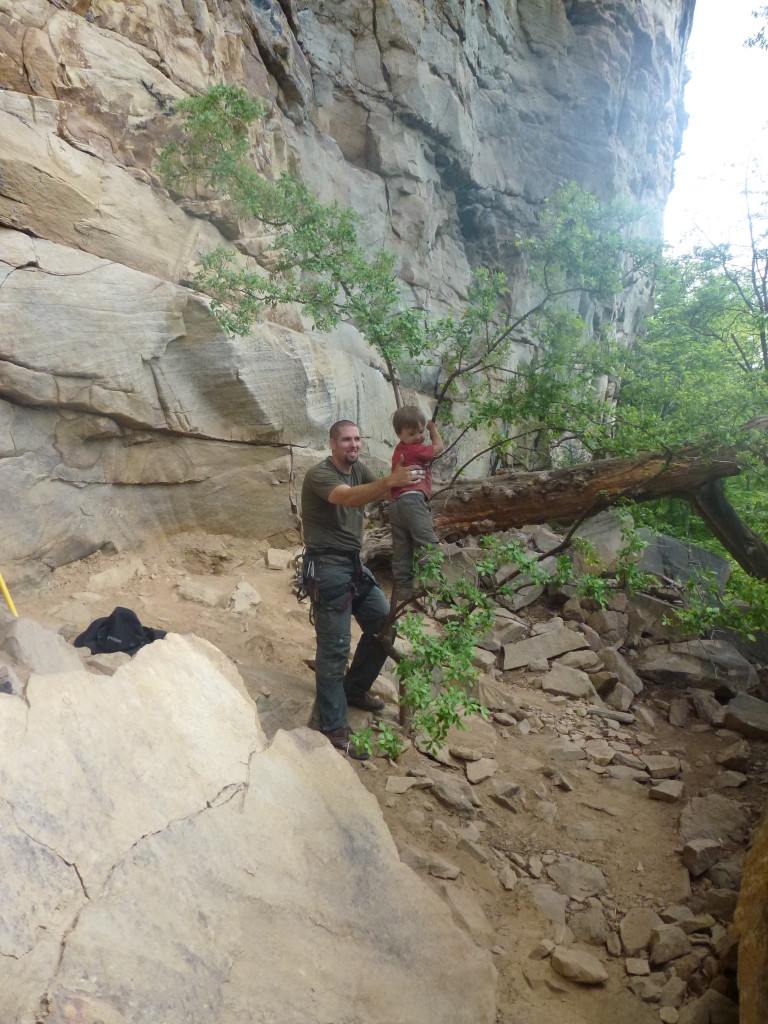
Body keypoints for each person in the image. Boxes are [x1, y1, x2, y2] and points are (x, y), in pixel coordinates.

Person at [300, 420, 420, 759]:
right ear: (332, 444)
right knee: (335, 648)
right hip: (327, 568)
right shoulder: (320, 475)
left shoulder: (359, 469)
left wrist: (410, 477)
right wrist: (390, 481)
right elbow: (349, 499)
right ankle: (334, 727)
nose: (354, 445)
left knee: (384, 625)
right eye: (347, 440)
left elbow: (384, 490)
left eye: (357, 439)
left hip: (353, 565)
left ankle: (353, 690)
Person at [388, 406, 444, 602]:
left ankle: (403, 592)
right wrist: (432, 430)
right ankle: (429, 588)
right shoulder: (416, 450)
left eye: (421, 432)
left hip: (395, 506)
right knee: (428, 544)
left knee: (402, 549)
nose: (419, 437)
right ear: (399, 434)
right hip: (412, 501)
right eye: (412, 434)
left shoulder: (399, 450)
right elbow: (438, 448)